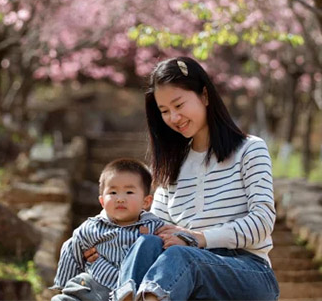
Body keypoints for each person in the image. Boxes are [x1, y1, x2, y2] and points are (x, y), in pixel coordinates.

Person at [85, 57, 280, 301]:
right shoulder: (172, 166)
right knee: (147, 244)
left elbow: (262, 222)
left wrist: (198, 239)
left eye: (179, 105)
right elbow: (150, 230)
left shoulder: (250, 149)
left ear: (205, 96)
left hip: (249, 271)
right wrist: (102, 247)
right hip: (182, 269)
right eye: (164, 111)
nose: (173, 118)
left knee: (181, 256)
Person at [51, 158, 165, 301]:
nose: (120, 199)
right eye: (113, 192)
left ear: (146, 201)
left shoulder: (153, 226)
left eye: (129, 192)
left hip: (134, 290)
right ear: (102, 201)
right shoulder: (92, 227)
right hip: (94, 286)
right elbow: (71, 249)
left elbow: (171, 246)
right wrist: (63, 284)